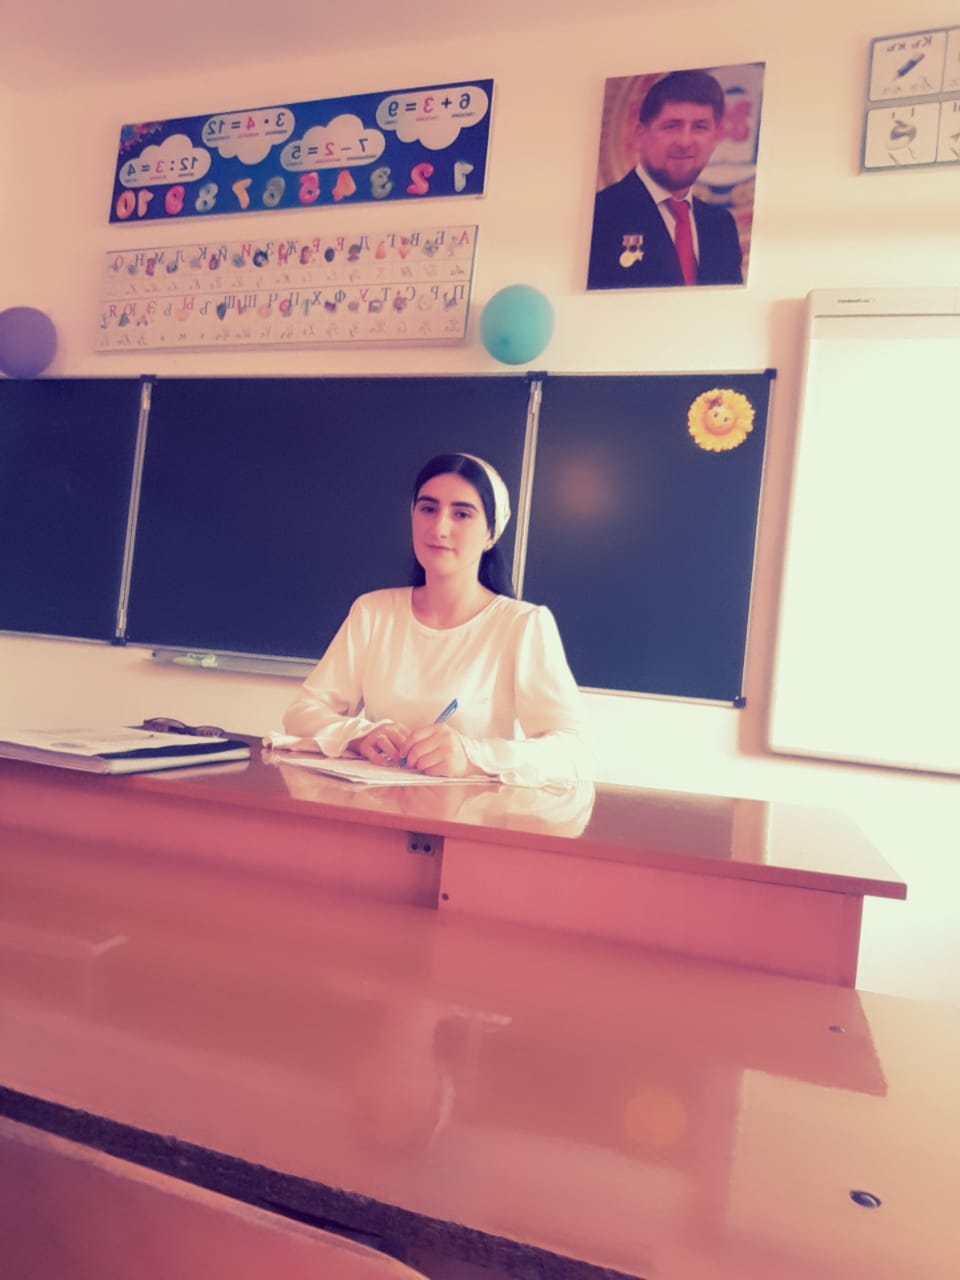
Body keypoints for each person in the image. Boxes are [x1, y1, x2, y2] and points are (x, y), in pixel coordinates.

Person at [277, 452, 592, 789]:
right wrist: (358, 735)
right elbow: (302, 712)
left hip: (469, 814)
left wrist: (471, 756)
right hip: (373, 807)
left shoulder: (523, 625)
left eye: (462, 514)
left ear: (491, 533)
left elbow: (572, 752)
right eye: (428, 509)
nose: (440, 528)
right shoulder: (373, 612)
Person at [586, 68, 743, 291]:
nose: (685, 142)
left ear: (716, 137)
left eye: (699, 127)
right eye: (671, 126)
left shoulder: (721, 227)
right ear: (640, 134)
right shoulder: (600, 215)